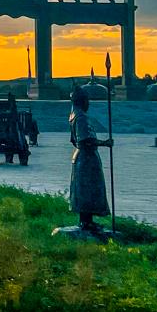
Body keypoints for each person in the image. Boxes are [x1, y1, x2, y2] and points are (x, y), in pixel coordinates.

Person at [68, 86, 112, 231]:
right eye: (87, 101)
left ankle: (87, 220)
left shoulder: (74, 116)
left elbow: (73, 140)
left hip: (83, 157)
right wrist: (104, 143)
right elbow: (84, 140)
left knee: (86, 188)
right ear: (82, 101)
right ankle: (86, 221)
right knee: (87, 188)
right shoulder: (80, 118)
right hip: (86, 158)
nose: (89, 104)